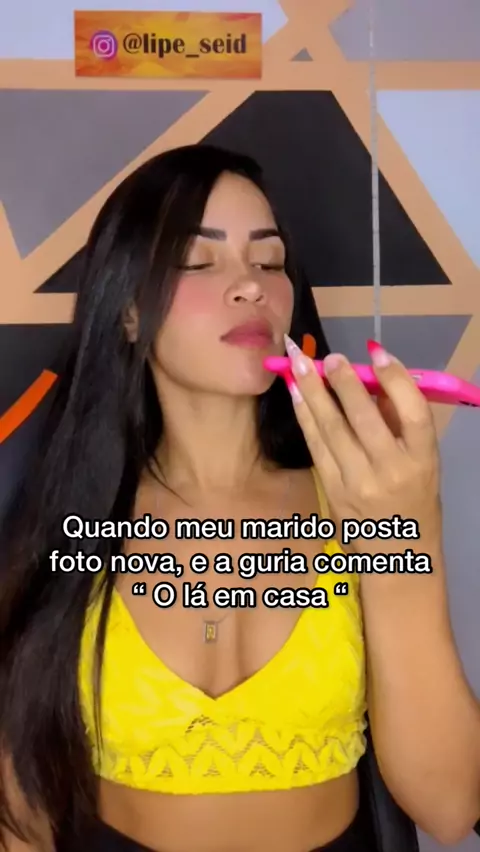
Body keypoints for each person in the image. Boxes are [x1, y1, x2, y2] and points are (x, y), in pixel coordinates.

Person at [0, 143, 479, 852]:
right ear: (127, 312)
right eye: (198, 263)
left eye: (270, 260)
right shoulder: (71, 511)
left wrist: (407, 535)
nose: (251, 286)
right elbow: (22, 805)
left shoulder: (359, 498)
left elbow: (448, 808)